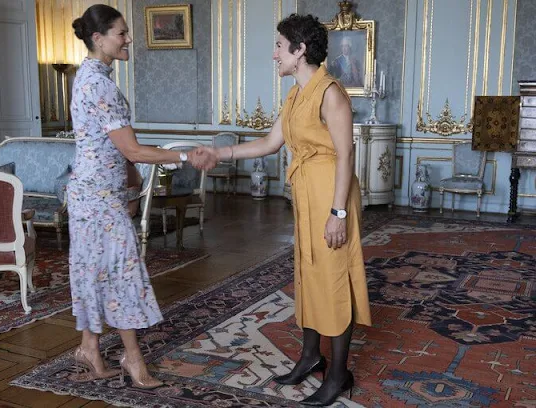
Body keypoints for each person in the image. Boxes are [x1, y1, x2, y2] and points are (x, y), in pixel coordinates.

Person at [198, 14, 371, 406]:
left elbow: (346, 155)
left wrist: (338, 213)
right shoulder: (295, 95)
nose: (274, 53)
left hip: (332, 195)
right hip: (307, 196)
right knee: (309, 275)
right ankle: (311, 357)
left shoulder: (331, 93)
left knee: (333, 279)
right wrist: (219, 152)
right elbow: (269, 142)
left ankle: (339, 375)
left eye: (279, 46)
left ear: (300, 50)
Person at [68, 4, 216, 387]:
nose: (129, 39)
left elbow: (114, 147)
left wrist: (130, 187)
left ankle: (89, 348)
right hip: (97, 199)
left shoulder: (88, 75)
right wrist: (186, 155)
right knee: (122, 273)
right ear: (98, 39)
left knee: (98, 273)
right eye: (121, 33)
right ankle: (133, 360)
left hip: (92, 195)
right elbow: (131, 150)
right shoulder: (99, 84)